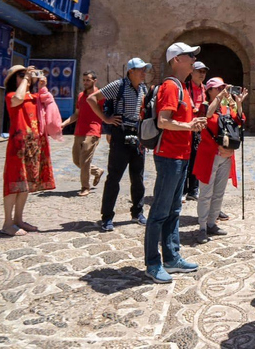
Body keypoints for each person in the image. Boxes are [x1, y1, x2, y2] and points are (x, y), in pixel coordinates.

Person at [144, 42, 207, 284]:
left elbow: (177, 120)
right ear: (176, 59)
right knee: (160, 211)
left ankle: (172, 258)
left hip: (181, 156)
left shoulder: (183, 88)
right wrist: (188, 126)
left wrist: (194, 123)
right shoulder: (171, 87)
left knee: (174, 210)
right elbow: (163, 121)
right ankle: (153, 263)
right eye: (189, 55)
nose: (193, 59)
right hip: (169, 156)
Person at [87, 58, 150, 231]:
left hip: (137, 136)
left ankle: (137, 212)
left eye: (145, 70)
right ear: (131, 71)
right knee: (114, 177)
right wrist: (106, 119)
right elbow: (92, 99)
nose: (144, 73)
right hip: (120, 134)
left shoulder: (143, 89)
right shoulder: (118, 85)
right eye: (141, 70)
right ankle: (107, 217)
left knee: (138, 177)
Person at [1, 65, 56, 236]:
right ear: (13, 80)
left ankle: (18, 220)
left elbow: (48, 106)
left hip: (33, 144)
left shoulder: (34, 96)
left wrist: (42, 86)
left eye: (26, 74)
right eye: (21, 75)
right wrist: (26, 79)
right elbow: (17, 99)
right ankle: (7, 223)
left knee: (25, 185)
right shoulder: (11, 95)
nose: (26, 77)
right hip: (18, 145)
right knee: (13, 183)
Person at [192, 78, 247, 244]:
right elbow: (207, 115)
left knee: (219, 193)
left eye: (224, 87)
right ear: (210, 91)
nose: (223, 90)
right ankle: (202, 227)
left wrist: (238, 103)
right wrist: (219, 97)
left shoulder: (227, 107)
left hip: (226, 156)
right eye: (218, 88)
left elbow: (240, 121)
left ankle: (211, 223)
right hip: (209, 156)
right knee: (205, 194)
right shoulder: (205, 106)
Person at [61, 70, 105, 196]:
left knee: (85, 160)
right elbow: (76, 114)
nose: (85, 82)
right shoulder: (80, 96)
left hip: (93, 130)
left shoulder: (100, 95)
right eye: (84, 80)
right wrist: (64, 123)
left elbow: (107, 111)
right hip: (79, 130)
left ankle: (85, 187)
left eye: (88, 80)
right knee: (77, 160)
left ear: (94, 81)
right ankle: (97, 171)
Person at [184, 61, 209, 202]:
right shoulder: (185, 88)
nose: (202, 74)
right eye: (199, 71)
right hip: (187, 127)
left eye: (204, 72)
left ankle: (193, 190)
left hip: (201, 129)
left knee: (197, 160)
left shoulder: (206, 90)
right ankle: (183, 190)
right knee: (186, 159)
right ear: (191, 72)